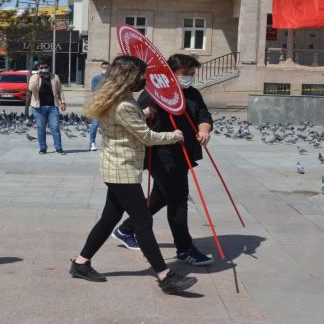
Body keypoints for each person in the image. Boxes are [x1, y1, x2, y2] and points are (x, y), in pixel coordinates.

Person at [69, 55, 197, 294]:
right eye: (141, 75)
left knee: (109, 218)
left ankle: (81, 263)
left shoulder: (118, 98)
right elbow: (146, 137)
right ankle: (164, 275)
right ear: (129, 77)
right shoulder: (124, 104)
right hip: (122, 169)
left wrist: (146, 112)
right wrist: (175, 136)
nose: (144, 79)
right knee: (143, 221)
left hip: (114, 165)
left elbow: (126, 121)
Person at [112, 54, 215, 266]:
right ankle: (184, 248)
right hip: (161, 155)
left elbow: (204, 116)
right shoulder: (152, 93)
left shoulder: (192, 93)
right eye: (185, 74)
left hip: (184, 153)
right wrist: (148, 114)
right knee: (178, 201)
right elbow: (135, 118)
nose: (189, 78)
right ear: (171, 73)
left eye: (192, 74)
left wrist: (204, 130)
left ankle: (126, 229)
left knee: (161, 197)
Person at [28, 61, 66, 155]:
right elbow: (31, 88)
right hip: (38, 108)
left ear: (49, 67)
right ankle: (43, 148)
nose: (43, 69)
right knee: (41, 128)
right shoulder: (34, 77)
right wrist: (37, 75)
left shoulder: (54, 77)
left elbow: (60, 90)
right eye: (41, 67)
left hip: (53, 107)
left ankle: (58, 148)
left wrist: (63, 102)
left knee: (55, 127)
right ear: (38, 68)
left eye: (45, 67)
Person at [88, 61, 111, 151]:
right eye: (104, 68)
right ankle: (92, 142)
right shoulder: (96, 78)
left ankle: (107, 143)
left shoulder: (113, 79)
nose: (105, 70)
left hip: (109, 104)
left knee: (108, 125)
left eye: (107, 68)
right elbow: (94, 91)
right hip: (99, 104)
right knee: (95, 124)